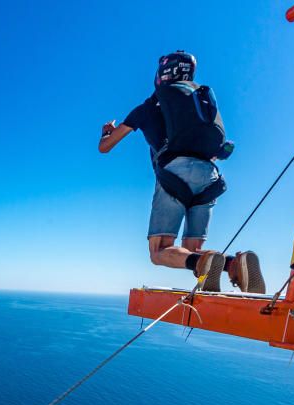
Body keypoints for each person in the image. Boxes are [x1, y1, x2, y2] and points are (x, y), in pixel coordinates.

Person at [98, 51, 265, 293]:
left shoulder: (146, 108)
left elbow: (106, 147)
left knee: (160, 251)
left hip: (175, 174)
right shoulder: (200, 101)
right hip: (209, 176)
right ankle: (234, 264)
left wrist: (106, 132)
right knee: (192, 250)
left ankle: (205, 264)